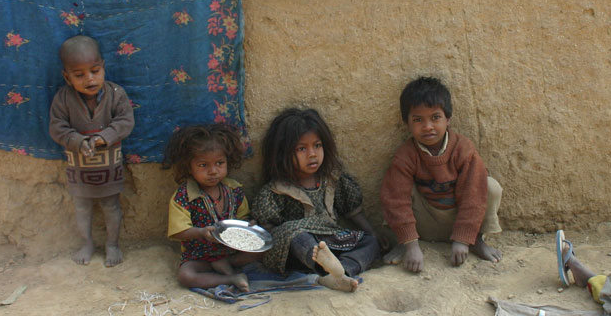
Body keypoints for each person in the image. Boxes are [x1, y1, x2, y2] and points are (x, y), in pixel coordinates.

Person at [251, 108, 385, 292]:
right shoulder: (278, 189)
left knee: (369, 242)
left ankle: (342, 273)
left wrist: (373, 234)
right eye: (301, 149)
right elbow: (270, 231)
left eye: (317, 145)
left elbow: (353, 212)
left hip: (331, 240)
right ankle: (325, 268)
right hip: (299, 251)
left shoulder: (332, 180)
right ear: (283, 153)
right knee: (295, 234)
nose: (312, 154)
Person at [380, 76, 503, 273]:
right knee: (394, 189)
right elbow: (396, 201)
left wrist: (462, 239)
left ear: (448, 119)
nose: (427, 126)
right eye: (418, 120)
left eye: (435, 117)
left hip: (457, 219)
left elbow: (473, 196)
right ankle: (404, 243)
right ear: (407, 123)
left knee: (488, 186)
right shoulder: (406, 155)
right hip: (424, 223)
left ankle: (476, 240)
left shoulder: (463, 149)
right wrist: (411, 245)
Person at [49, 35, 134, 267]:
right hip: (79, 168)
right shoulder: (63, 99)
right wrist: (78, 141)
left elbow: (125, 122)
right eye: (79, 75)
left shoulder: (116, 94)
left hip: (109, 167)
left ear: (103, 67)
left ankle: (112, 244)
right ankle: (86, 243)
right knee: (81, 207)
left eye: (95, 71)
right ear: (67, 77)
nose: (89, 79)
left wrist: (103, 138)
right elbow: (57, 128)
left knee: (111, 206)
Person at [163, 124, 260, 291]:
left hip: (231, 252)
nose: (213, 171)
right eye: (203, 165)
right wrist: (201, 232)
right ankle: (231, 278)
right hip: (200, 256)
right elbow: (178, 231)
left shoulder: (234, 190)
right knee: (186, 275)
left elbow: (242, 218)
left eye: (219, 163)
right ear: (189, 167)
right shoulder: (184, 197)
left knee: (261, 252)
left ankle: (224, 263)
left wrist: (249, 226)